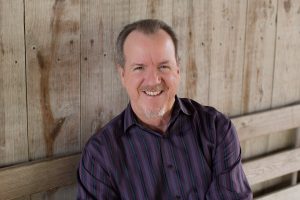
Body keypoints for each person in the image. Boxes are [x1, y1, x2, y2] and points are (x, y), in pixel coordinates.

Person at [77, 19, 252, 200]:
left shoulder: (216, 128)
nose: (153, 80)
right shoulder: (100, 154)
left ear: (177, 70)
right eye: (139, 68)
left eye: (163, 66)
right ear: (123, 75)